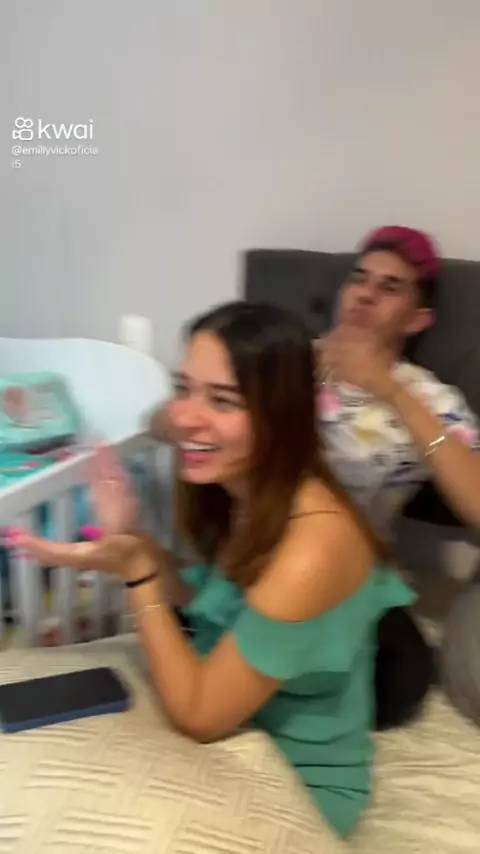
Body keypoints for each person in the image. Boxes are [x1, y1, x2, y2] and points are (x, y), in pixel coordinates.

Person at [8, 302, 415, 839]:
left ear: (282, 415)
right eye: (184, 389)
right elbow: (205, 600)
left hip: (296, 784)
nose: (186, 416)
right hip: (237, 737)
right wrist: (132, 539)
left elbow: (199, 715)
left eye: (223, 400)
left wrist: (138, 576)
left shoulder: (313, 545)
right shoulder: (243, 494)